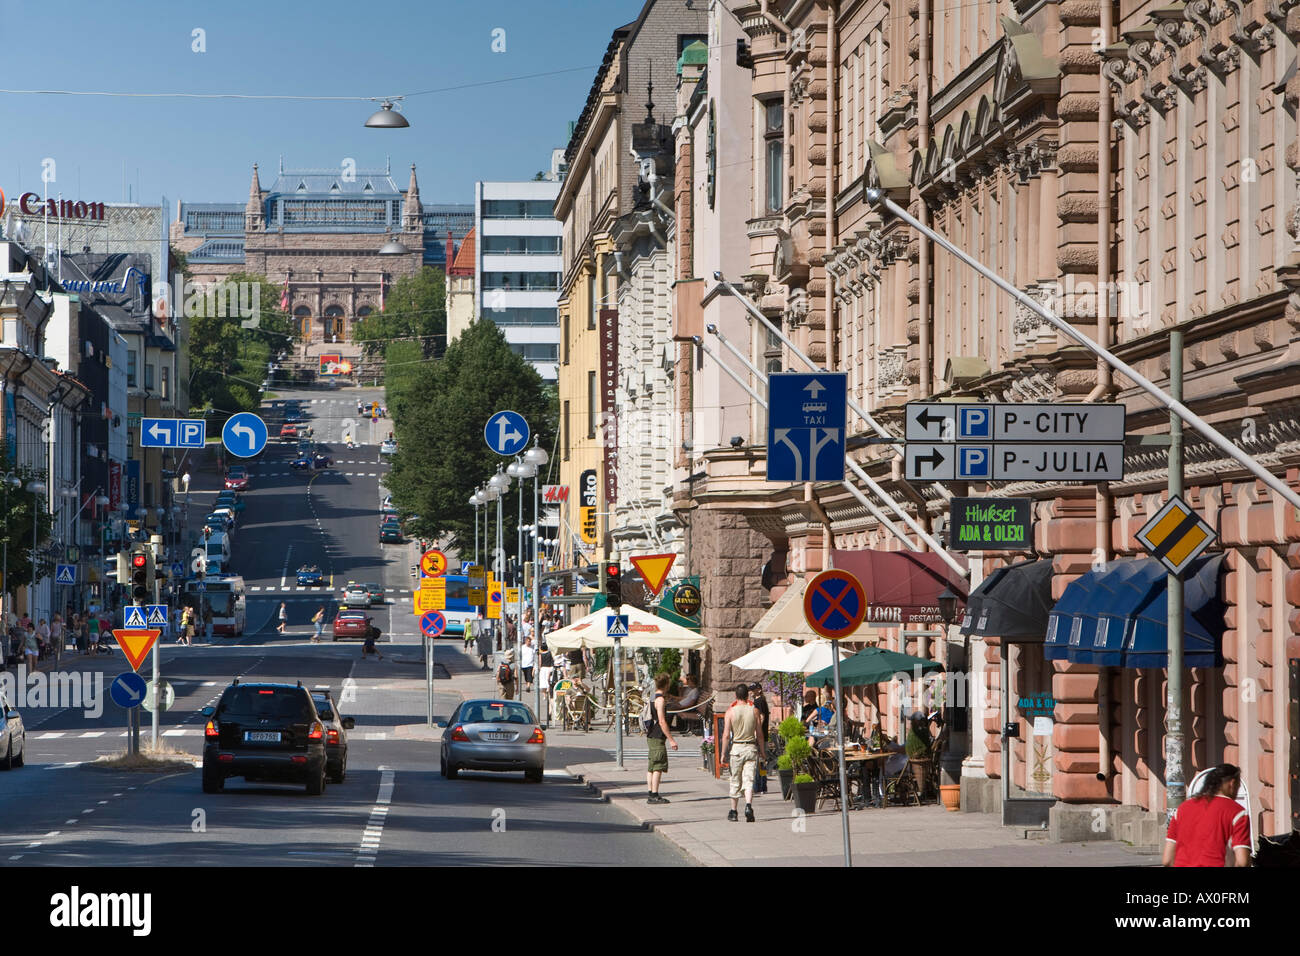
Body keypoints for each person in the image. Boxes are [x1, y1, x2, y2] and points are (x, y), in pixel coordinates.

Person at [1163, 764, 1252, 867]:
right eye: (1238, 786)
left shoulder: (1182, 809)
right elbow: (1242, 861)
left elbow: (1167, 860)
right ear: (1232, 783)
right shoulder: (1237, 812)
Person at [722, 683, 765, 822]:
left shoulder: (730, 711)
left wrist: (723, 753)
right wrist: (763, 751)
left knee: (735, 780)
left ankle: (733, 811)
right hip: (751, 748)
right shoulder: (754, 710)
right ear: (747, 695)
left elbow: (726, 735)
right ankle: (748, 806)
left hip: (737, 749)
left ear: (736, 695)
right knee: (749, 780)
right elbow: (760, 734)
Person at [646, 672, 678, 804]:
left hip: (651, 734)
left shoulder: (653, 696)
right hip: (658, 735)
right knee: (658, 765)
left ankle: (650, 792)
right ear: (666, 684)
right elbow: (662, 721)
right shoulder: (660, 700)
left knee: (651, 766)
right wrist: (671, 739)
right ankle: (654, 795)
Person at [750, 682, 770, 793]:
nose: (751, 692)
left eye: (753, 690)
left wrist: (757, 732)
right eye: (750, 690)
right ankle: (763, 785)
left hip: (760, 735)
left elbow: (761, 717)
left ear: (759, 690)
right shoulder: (760, 700)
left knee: (759, 761)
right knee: (761, 761)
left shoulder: (759, 701)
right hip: (763, 734)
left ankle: (759, 785)